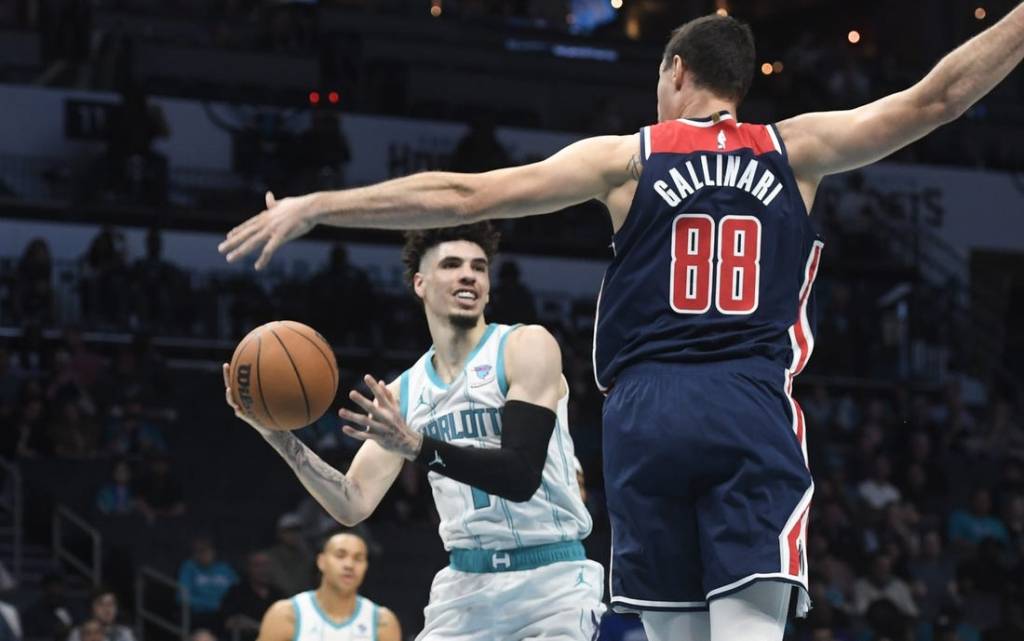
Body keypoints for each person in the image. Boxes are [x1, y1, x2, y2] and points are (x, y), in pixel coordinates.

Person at [219, 8, 1024, 641]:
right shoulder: (796, 147)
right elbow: (941, 97)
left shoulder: (631, 158)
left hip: (644, 415)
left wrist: (319, 204)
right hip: (748, 403)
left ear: (676, 72)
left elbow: (467, 197)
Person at [223, 224, 603, 640]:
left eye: (479, 267)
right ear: (419, 283)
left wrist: (415, 445)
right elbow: (352, 503)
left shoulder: (526, 347)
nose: (468, 275)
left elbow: (521, 475)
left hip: (551, 584)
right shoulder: (405, 392)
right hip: (464, 588)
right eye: (452, 265)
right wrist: (279, 437)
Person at [255, 532, 399, 641]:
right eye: (340, 555)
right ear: (321, 561)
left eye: (358, 558)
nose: (349, 565)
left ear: (365, 567)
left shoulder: (383, 622)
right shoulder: (286, 614)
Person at [67, 588, 136, 641]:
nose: (107, 609)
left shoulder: (125, 633)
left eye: (111, 604)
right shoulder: (78, 632)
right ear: (92, 608)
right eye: (101, 604)